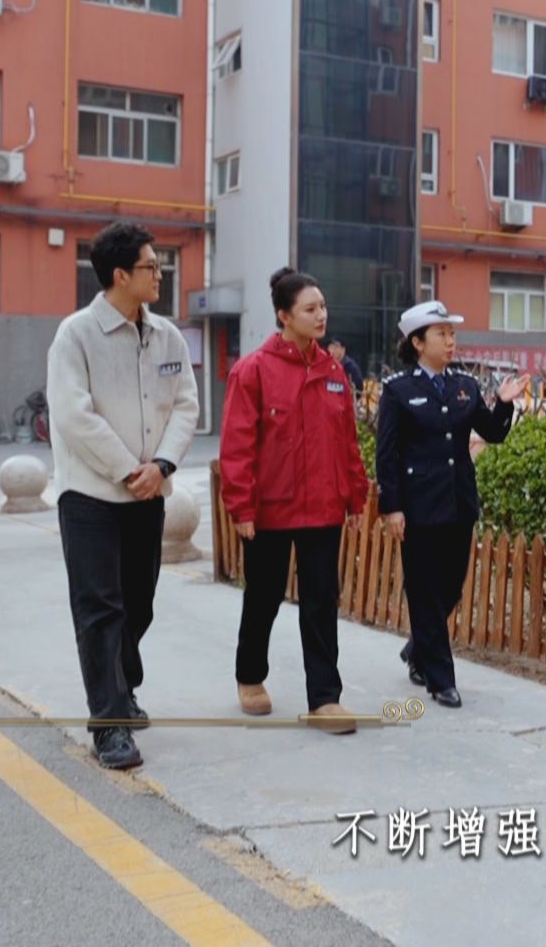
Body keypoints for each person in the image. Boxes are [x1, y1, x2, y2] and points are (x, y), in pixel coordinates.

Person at [47, 221, 199, 770]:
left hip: (148, 495)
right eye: (151, 267)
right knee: (100, 609)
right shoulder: (76, 335)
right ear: (119, 275)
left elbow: (185, 404)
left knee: (139, 604)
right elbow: (73, 415)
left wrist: (162, 466)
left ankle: (122, 685)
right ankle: (109, 722)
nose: (160, 275)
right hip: (90, 497)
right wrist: (128, 469)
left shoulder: (167, 336)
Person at [217, 269, 370, 735]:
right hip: (271, 510)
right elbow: (237, 446)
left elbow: (347, 442)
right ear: (284, 316)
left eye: (322, 307)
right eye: (310, 309)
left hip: (323, 508)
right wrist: (242, 507)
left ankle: (325, 698)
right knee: (263, 597)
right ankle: (250, 676)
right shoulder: (253, 371)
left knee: (321, 601)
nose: (321, 315)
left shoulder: (334, 372)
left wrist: (355, 495)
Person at [377, 301, 528, 708]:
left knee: (450, 587)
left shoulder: (464, 385)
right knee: (425, 589)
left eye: (452, 334)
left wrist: (504, 402)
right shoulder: (398, 390)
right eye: (441, 334)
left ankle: (418, 648)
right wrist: (392, 507)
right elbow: (386, 455)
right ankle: (440, 678)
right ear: (418, 342)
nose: (450, 341)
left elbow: (492, 432)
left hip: (459, 503)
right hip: (418, 507)